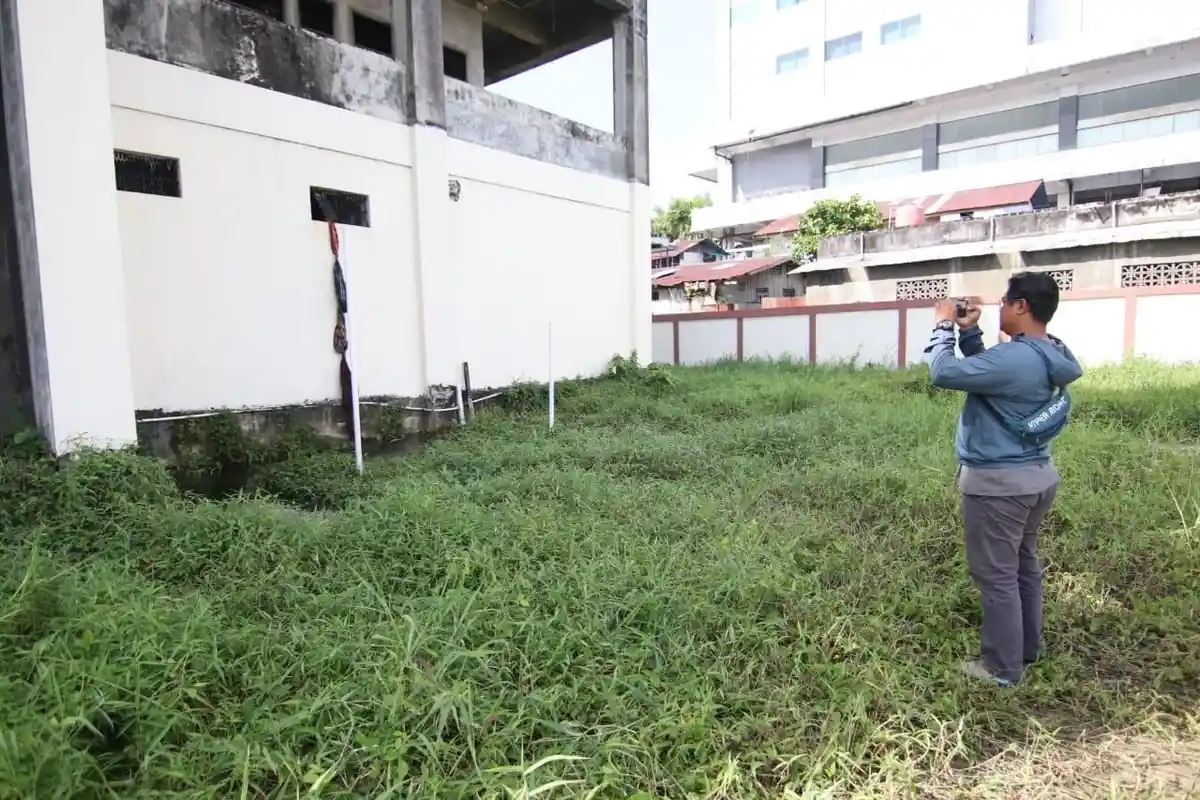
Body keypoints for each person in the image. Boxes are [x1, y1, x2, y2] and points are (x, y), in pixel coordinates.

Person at [925, 272, 1084, 687]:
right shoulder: (1049, 351)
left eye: (1004, 301)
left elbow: (944, 373)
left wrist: (943, 325)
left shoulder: (1015, 357)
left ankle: (1001, 668)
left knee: (996, 575)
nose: (999, 307)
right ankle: (1026, 649)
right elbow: (991, 377)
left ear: (1021, 307)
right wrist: (971, 331)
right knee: (1022, 567)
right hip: (1036, 479)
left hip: (999, 485)